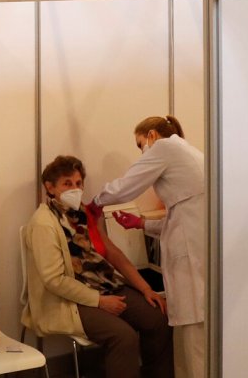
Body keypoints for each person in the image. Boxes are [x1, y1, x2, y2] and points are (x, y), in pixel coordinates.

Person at [23, 155, 173, 378]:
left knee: (158, 319)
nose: (75, 189)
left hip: (105, 285)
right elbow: (55, 280)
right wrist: (100, 301)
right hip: (70, 300)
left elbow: (112, 253)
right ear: (50, 187)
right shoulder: (43, 223)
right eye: (67, 183)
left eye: (78, 183)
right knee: (123, 337)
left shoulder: (83, 213)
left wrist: (145, 289)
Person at [88, 116, 205, 378]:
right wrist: (140, 223)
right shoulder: (187, 152)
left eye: (140, 144)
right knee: (191, 339)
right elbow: (180, 219)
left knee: (194, 342)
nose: (142, 151)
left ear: (151, 135)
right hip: (196, 249)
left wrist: (96, 202)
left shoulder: (164, 147)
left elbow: (127, 186)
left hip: (193, 260)